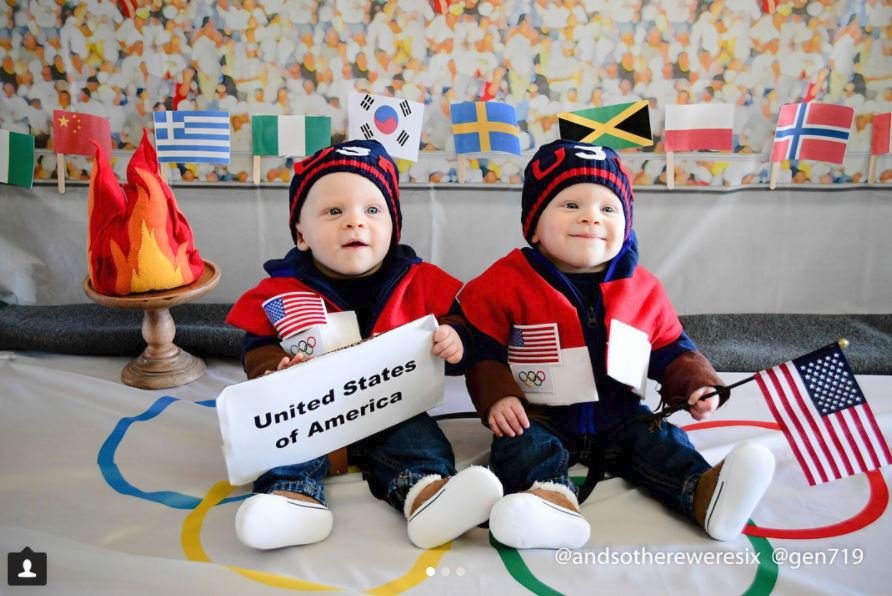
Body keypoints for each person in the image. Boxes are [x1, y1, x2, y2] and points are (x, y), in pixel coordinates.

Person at [458, 140, 774, 549]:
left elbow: (671, 347)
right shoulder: (506, 282)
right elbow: (482, 348)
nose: (591, 217)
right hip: (538, 413)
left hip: (619, 412)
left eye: (608, 209)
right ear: (534, 225)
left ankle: (705, 494)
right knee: (520, 447)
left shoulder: (641, 288)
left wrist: (696, 383)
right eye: (571, 205)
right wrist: (498, 397)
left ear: (625, 227)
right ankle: (550, 504)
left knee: (660, 441)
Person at [226, 139, 502, 550]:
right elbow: (258, 345)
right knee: (282, 444)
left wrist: (455, 338)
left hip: (391, 407)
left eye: (372, 211)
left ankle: (428, 496)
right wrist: (273, 369)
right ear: (301, 233)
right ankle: (291, 500)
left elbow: (459, 322)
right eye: (334, 211)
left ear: (394, 228)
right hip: (311, 411)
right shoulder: (282, 290)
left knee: (418, 441)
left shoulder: (419, 280)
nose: (355, 222)